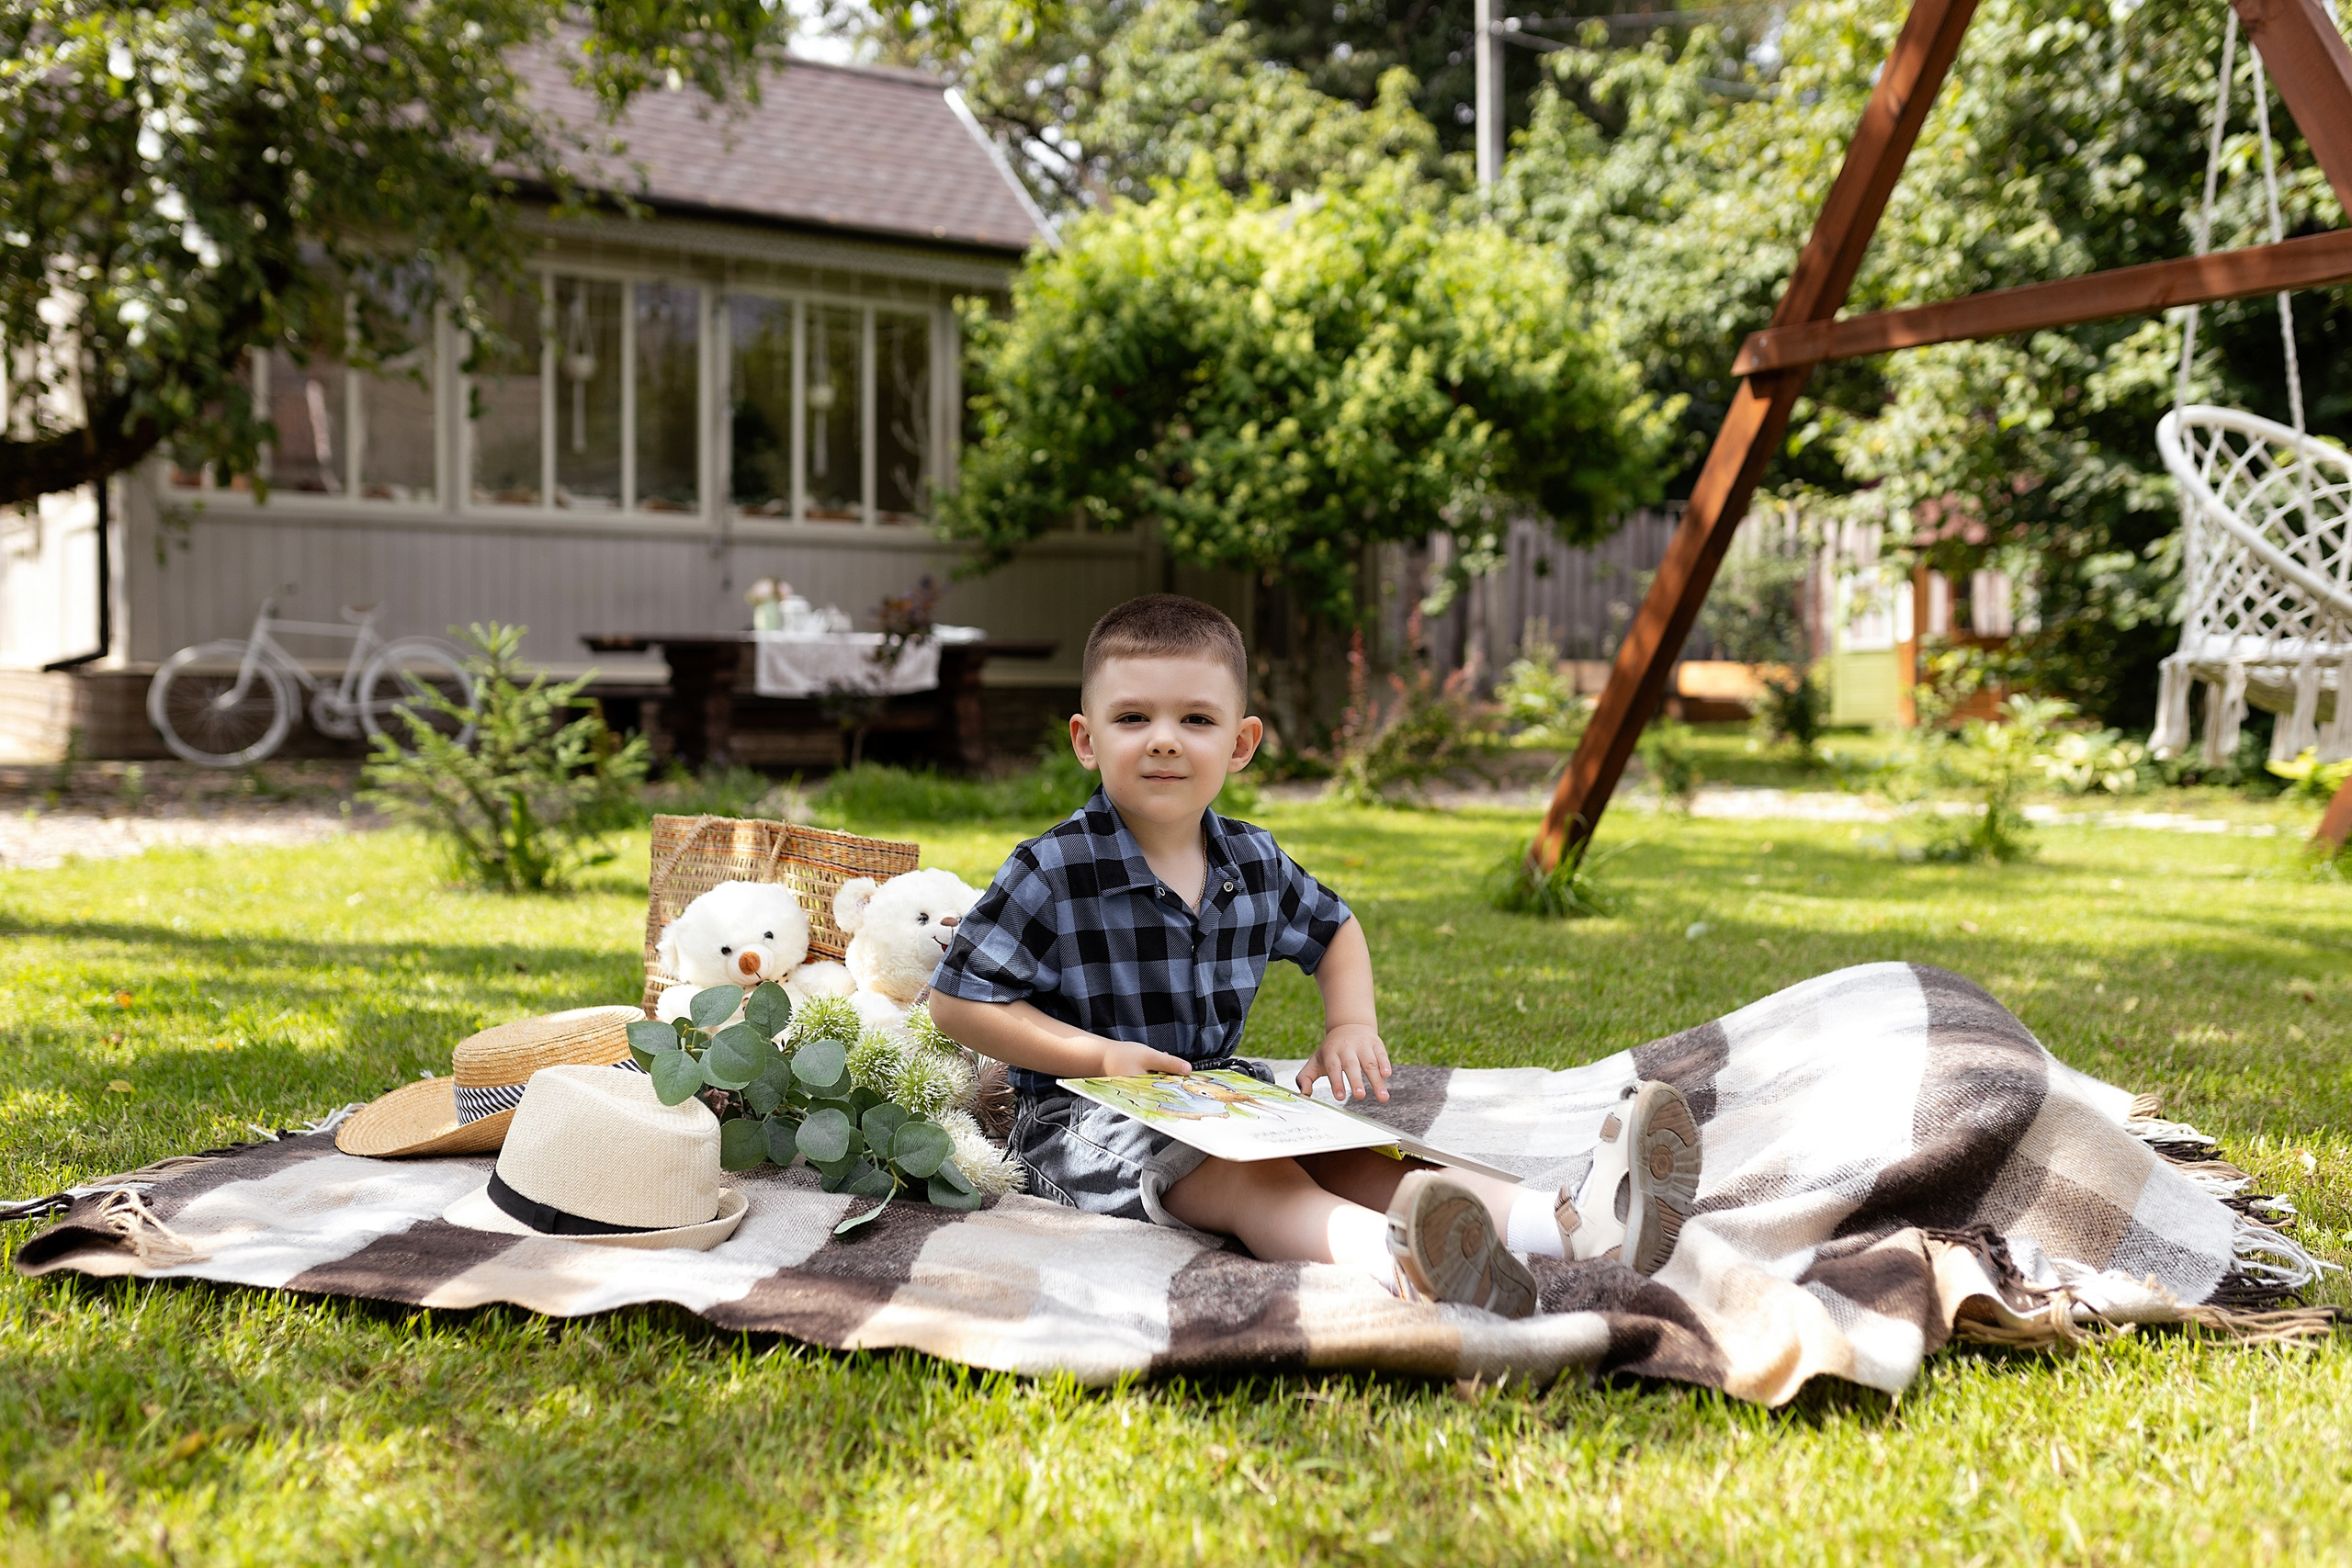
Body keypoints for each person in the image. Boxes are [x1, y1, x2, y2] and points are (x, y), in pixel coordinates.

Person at [927, 595, 1700, 1314]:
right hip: (1083, 1115)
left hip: (1216, 1094)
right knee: (1251, 1180)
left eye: (1195, 718)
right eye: (1133, 717)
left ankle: (1569, 1226)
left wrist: (1350, 1022)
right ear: (1086, 740)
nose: (1163, 738)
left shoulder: (1252, 861)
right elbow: (957, 999)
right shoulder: (1053, 868)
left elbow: (1335, 929)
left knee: (1355, 1154)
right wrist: (1098, 1056)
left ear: (1241, 743)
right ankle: (1399, 1261)